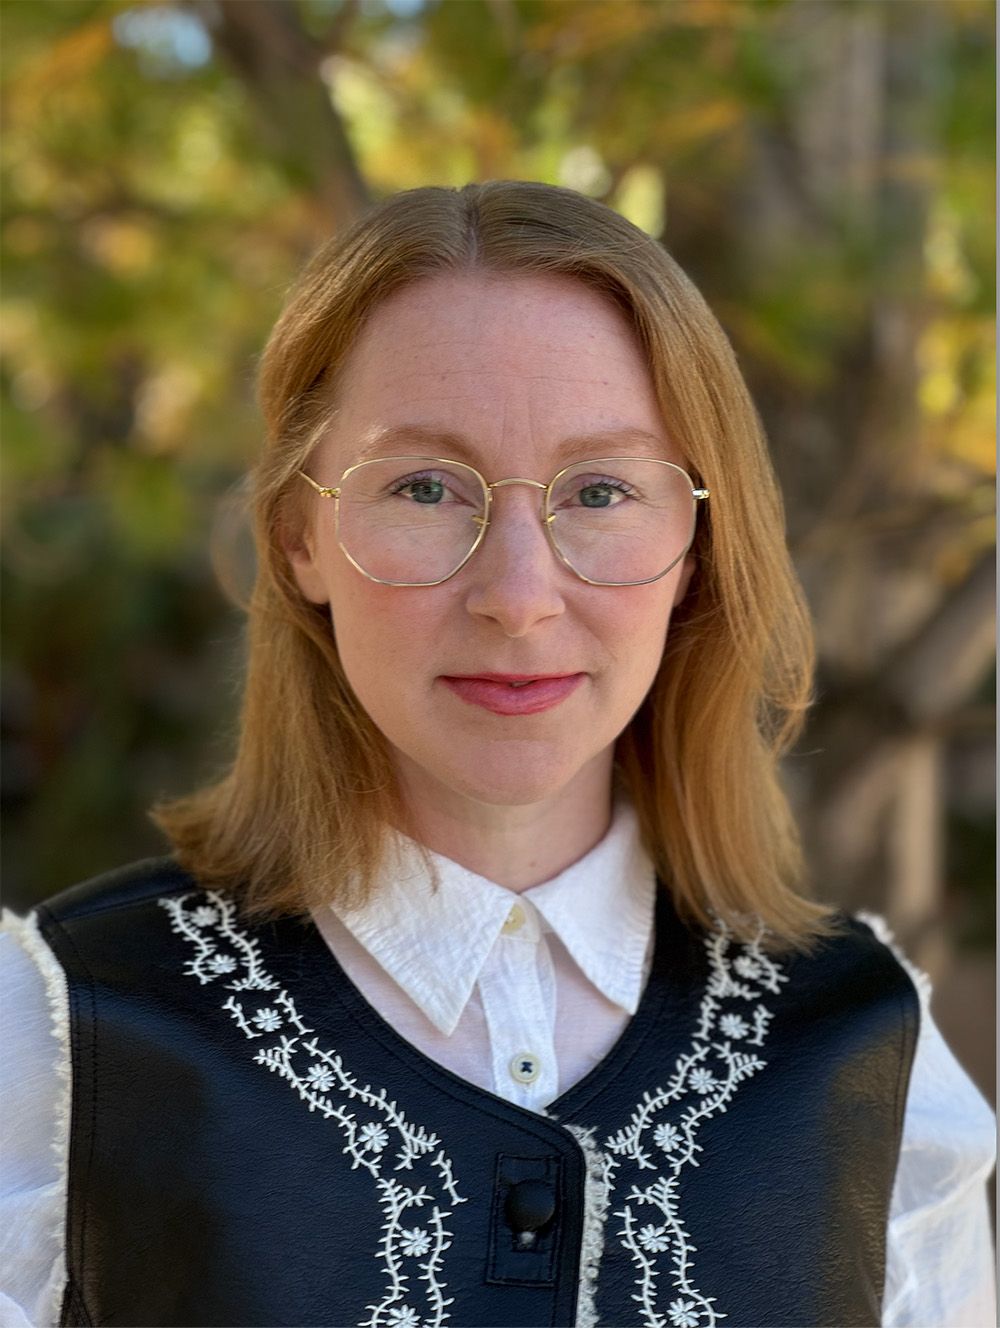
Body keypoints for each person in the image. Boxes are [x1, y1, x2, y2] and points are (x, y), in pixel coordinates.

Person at [0, 181, 994, 1328]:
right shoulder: (65, 1039)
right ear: (298, 534)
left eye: (600, 491)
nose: (519, 596)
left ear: (696, 547)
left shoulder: (871, 1061)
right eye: (424, 487)